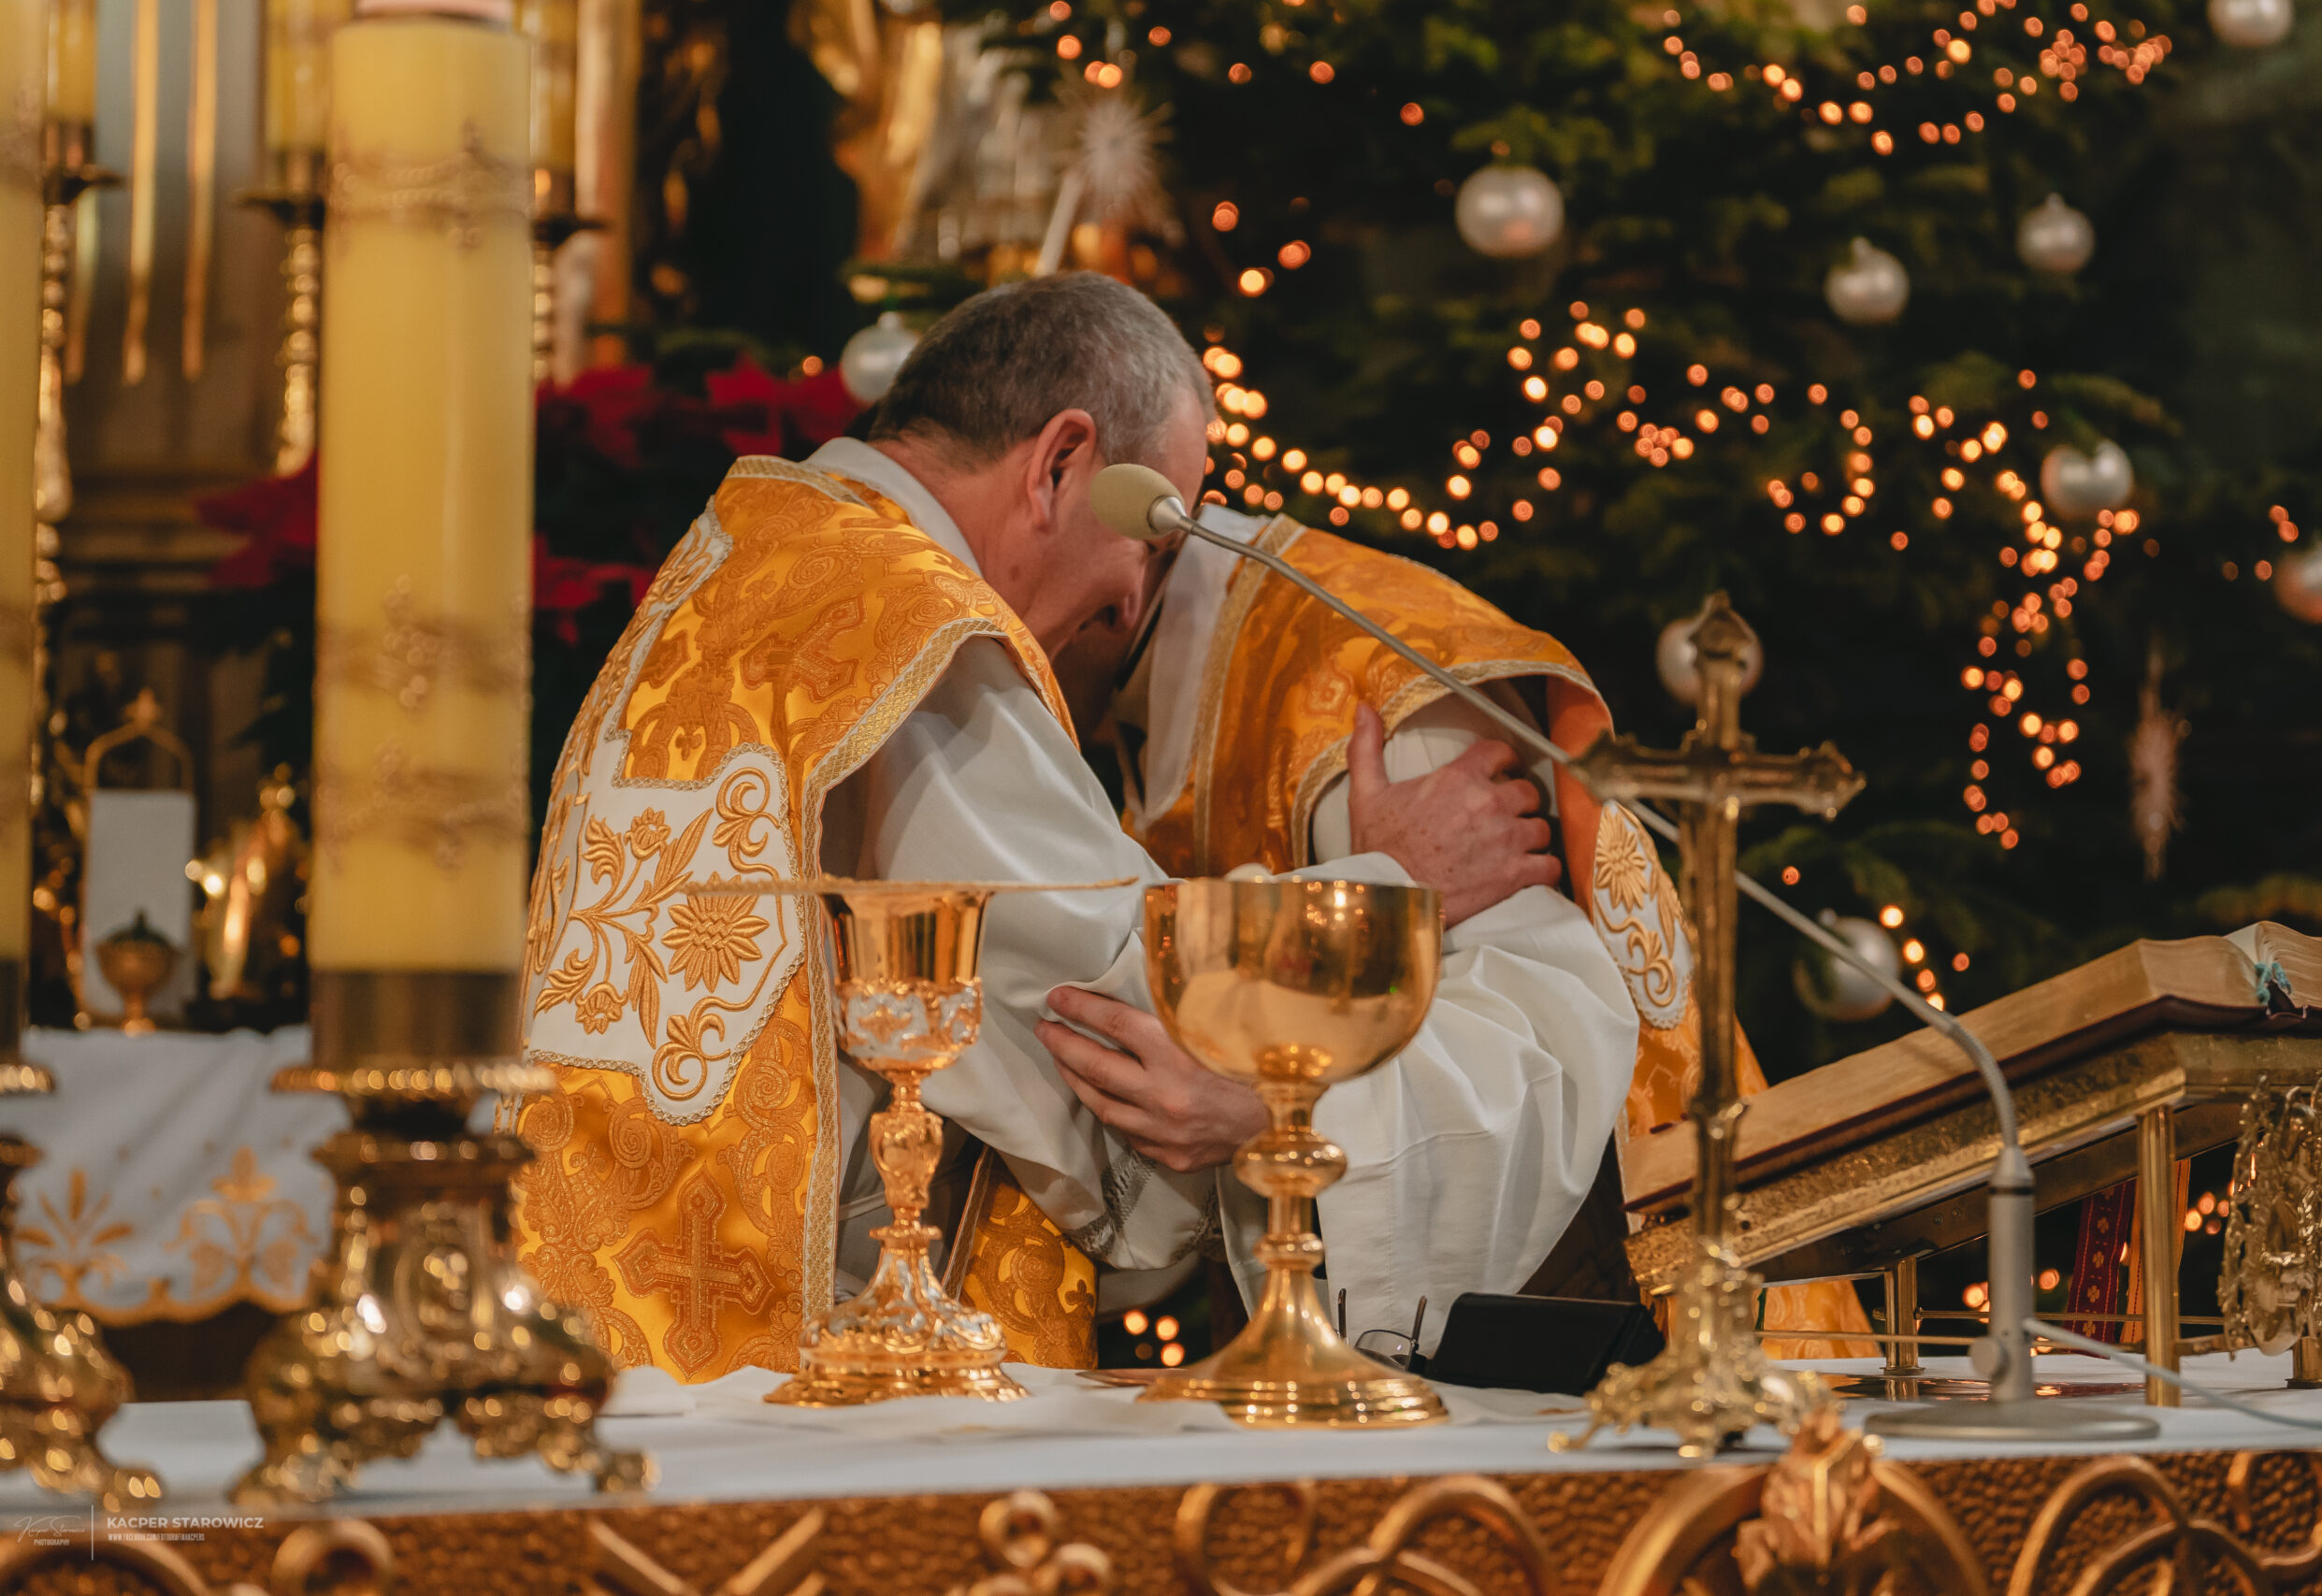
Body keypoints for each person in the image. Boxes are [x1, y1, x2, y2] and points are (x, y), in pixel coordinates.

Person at [510, 273, 1561, 1383]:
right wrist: (1390, 887)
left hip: (630, 1324)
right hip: (789, 1359)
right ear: (1059, 463)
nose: (1131, 605)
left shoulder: (753, 556)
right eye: (1152, 536)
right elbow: (1122, 1020)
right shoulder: (909, 629)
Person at [1047, 501, 1876, 1357]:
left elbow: (1545, 1038)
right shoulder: (1160, 679)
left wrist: (1281, 1113)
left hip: (1589, 1321)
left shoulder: (1363, 672)